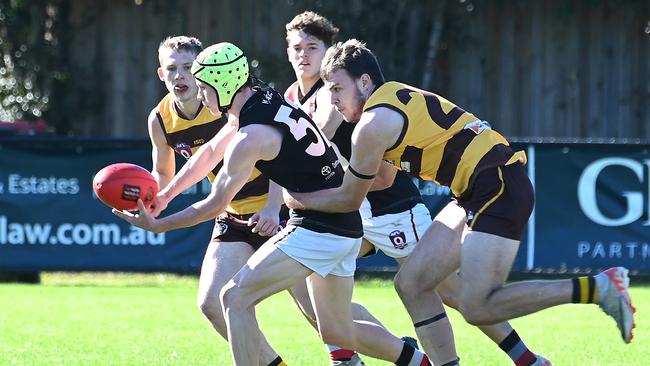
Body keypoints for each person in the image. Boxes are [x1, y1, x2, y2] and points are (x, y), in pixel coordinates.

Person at [284, 38, 635, 360]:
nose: (332, 99)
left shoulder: (372, 125)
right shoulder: (391, 97)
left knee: (477, 305)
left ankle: (599, 287)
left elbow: (349, 198)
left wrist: (296, 198)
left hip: (496, 184)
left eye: (336, 88)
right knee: (413, 283)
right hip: (473, 190)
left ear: (363, 82)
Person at [116, 42, 432, 366]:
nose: (200, 96)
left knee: (234, 298)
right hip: (341, 224)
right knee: (337, 331)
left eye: (203, 88)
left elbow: (214, 203)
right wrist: (166, 196)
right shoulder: (263, 99)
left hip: (319, 227)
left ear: (222, 85)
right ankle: (417, 361)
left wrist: (158, 225)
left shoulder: (249, 137)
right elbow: (209, 152)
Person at [148, 36, 287, 366]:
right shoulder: (160, 118)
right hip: (232, 215)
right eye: (172, 69)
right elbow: (164, 172)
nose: (180, 76)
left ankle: (361, 357)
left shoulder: (228, 103)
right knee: (213, 303)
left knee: (323, 317)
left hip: (279, 214)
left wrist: (273, 205)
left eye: (187, 68)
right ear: (160, 74)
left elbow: (283, 154)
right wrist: (149, 196)